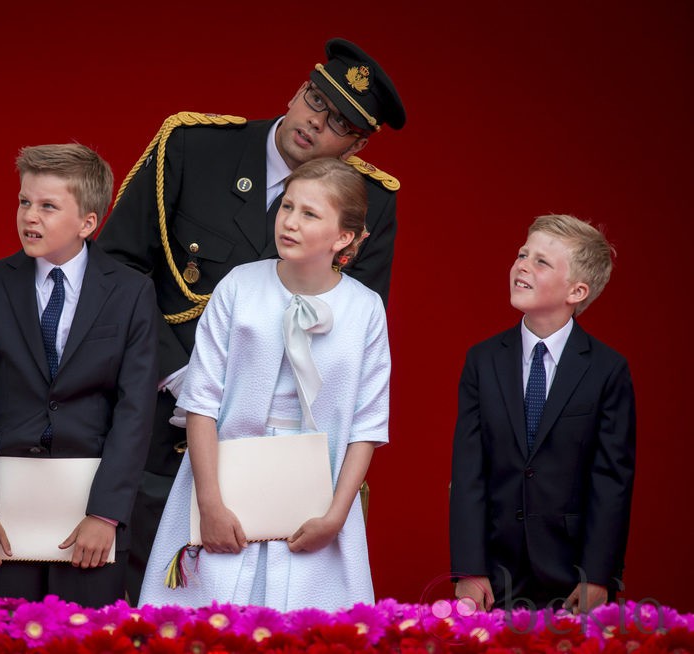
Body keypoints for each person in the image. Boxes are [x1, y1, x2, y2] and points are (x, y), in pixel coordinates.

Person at [97, 38, 406, 602]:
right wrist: (177, 376)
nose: (316, 121)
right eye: (316, 99)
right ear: (297, 90)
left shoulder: (371, 201)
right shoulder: (192, 146)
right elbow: (118, 269)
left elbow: (348, 330)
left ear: (356, 146)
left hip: (292, 452)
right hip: (162, 414)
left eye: (339, 123)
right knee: (173, 598)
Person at [139, 158, 390, 611]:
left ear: (345, 237)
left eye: (310, 214)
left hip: (318, 495)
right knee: (206, 623)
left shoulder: (365, 309)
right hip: (223, 481)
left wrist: (335, 517)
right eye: (287, 206)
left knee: (310, 627)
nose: (289, 222)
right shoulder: (239, 286)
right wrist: (211, 505)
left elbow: (367, 426)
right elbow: (201, 402)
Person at [0, 144, 158, 607]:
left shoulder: (130, 291)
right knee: (6, 637)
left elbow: (135, 411)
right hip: (5, 511)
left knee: (88, 639)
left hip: (93, 506)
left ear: (87, 222)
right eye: (25, 202)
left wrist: (105, 514)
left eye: (47, 206)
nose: (30, 216)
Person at [449, 214, 636, 613]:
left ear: (577, 290)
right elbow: (468, 471)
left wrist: (598, 575)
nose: (522, 265)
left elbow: (611, 480)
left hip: (571, 574)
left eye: (541, 262)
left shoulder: (607, 370)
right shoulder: (482, 361)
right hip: (494, 571)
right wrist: (468, 567)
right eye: (522, 254)